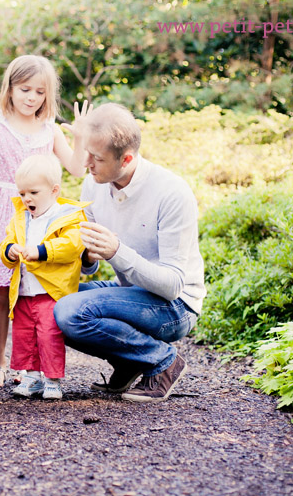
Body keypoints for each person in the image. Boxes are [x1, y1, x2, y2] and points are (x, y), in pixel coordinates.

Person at [53, 103, 206, 403]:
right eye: (86, 153)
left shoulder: (172, 192)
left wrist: (117, 252)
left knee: (70, 311)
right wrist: (86, 256)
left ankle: (163, 362)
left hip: (176, 306)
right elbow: (90, 265)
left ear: (126, 158)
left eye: (96, 158)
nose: (86, 164)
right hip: (132, 293)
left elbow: (173, 285)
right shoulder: (93, 185)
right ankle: (131, 361)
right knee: (49, 304)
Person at [0, 55, 88, 387]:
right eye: (24, 89)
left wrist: (82, 136)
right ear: (10, 89)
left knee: (34, 293)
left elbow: (75, 167)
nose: (31, 97)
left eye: (40, 92)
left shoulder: (50, 129)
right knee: (1, 291)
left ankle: (30, 367)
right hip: (3, 209)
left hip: (39, 216)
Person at [0, 154, 88, 400]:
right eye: (23, 193)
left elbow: (71, 246)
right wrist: (10, 251)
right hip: (25, 290)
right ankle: (31, 376)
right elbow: (7, 241)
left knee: (49, 335)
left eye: (34, 193)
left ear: (54, 190)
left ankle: (52, 379)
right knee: (24, 335)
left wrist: (40, 251)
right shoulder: (21, 218)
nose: (27, 199)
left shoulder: (67, 217)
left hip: (51, 290)